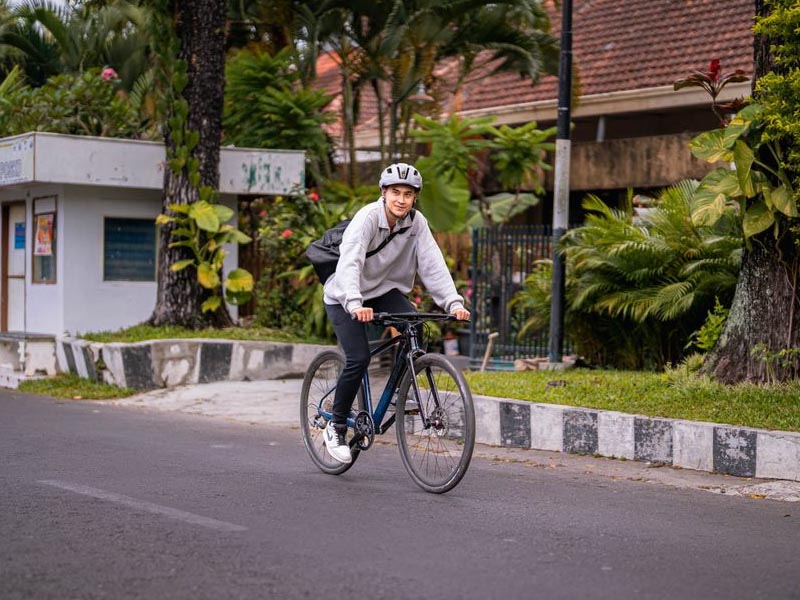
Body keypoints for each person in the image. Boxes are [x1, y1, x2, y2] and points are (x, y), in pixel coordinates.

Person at [321, 162, 471, 463]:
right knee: (359, 357)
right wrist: (354, 304)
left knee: (416, 327)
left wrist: (453, 303)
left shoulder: (416, 224)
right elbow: (349, 263)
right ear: (383, 192)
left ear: (415, 197)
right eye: (395, 192)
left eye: (408, 194)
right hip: (344, 295)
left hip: (384, 291)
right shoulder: (367, 218)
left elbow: (433, 264)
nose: (401, 199)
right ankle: (335, 426)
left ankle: (407, 388)